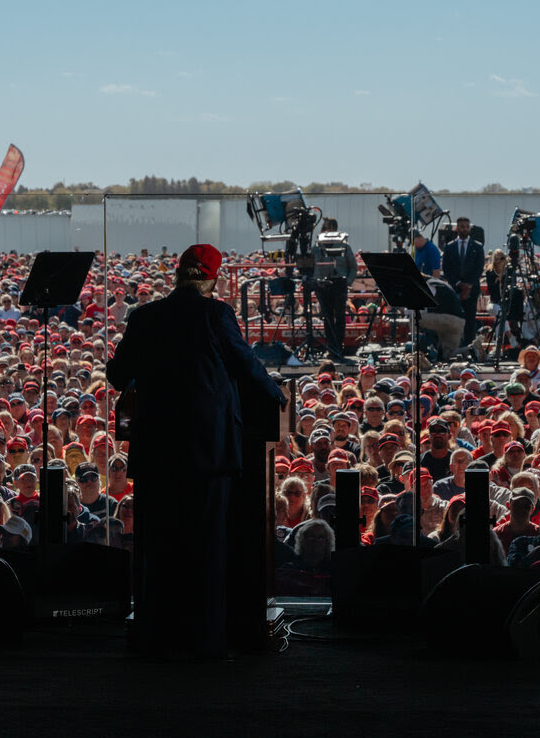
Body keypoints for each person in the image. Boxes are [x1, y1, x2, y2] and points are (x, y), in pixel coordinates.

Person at [106, 243, 285, 658]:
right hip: (208, 455)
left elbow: (117, 375)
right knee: (206, 549)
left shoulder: (145, 316)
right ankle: (205, 642)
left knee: (159, 547)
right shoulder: (217, 314)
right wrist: (276, 394)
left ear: (177, 275)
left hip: (156, 457)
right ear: (213, 279)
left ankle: (157, 638)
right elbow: (244, 364)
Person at [312, 217, 356, 360]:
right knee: (327, 317)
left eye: (327, 228)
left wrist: (347, 282)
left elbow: (353, 266)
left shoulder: (344, 247)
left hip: (339, 284)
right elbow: (312, 265)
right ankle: (331, 346)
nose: (325, 231)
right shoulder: (317, 247)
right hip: (322, 284)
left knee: (340, 316)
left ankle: (339, 345)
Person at [442, 217, 484, 344]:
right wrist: (458, 284)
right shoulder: (449, 247)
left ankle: (469, 347)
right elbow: (447, 269)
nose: (464, 229)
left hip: (472, 290)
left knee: (470, 319)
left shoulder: (477, 247)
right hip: (455, 289)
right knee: (454, 318)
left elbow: (479, 268)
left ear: (470, 228)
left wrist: (469, 285)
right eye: (462, 227)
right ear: (457, 228)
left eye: (467, 227)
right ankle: (454, 345)